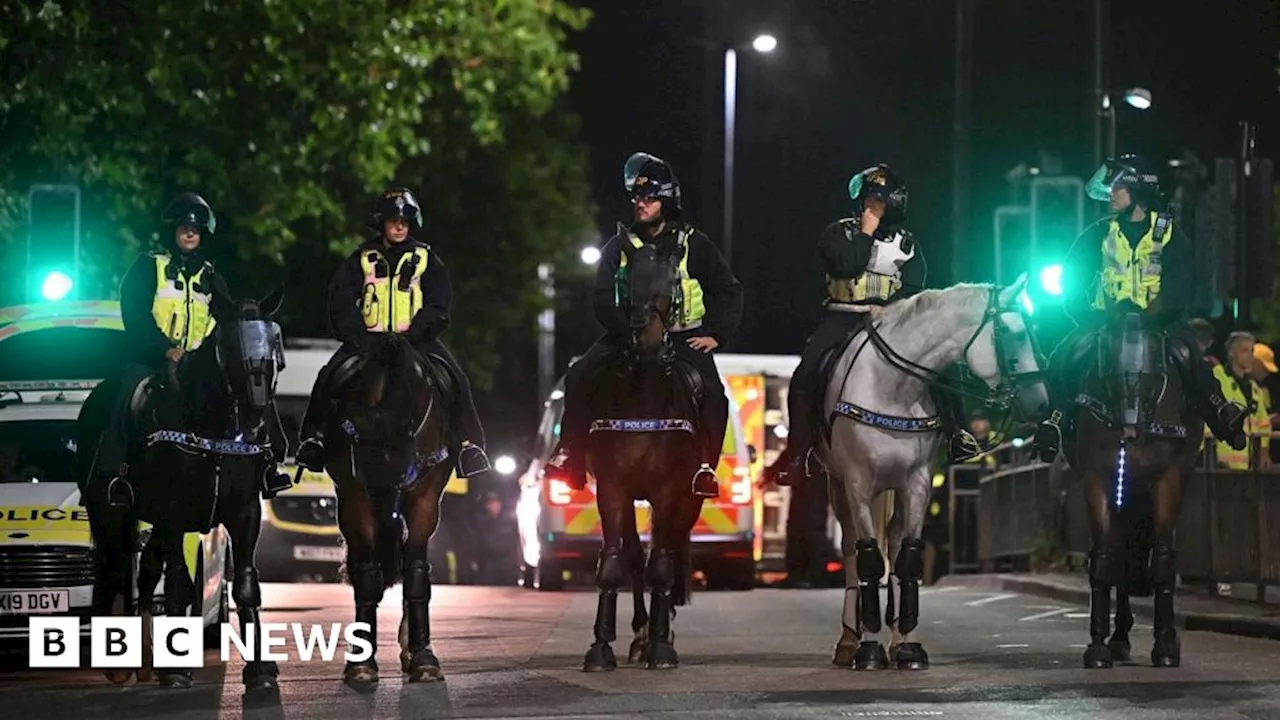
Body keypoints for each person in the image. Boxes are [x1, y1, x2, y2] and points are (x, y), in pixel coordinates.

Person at [762, 164, 981, 487]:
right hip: (843, 316)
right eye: (872, 201)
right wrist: (866, 231)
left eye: (881, 201)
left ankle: (957, 434)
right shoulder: (838, 234)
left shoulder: (908, 245)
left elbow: (912, 291)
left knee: (941, 365)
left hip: (891, 324)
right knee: (807, 372)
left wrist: (890, 314)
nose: (875, 207)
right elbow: (847, 266)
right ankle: (797, 454)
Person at [542, 152, 744, 498]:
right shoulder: (617, 247)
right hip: (625, 336)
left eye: (649, 198)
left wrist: (716, 334)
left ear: (666, 200)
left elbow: (728, 289)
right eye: (637, 198)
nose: (641, 204)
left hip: (683, 339)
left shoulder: (694, 244)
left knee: (714, 394)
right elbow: (602, 297)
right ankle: (569, 453)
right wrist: (625, 330)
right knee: (578, 376)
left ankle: (705, 468)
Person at [1032, 154, 1247, 460]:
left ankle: (1219, 410)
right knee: (1065, 355)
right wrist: (1087, 313)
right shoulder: (1098, 233)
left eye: (1117, 188)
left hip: (1159, 321)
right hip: (1105, 321)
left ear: (1136, 192)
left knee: (1190, 354)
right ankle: (1052, 423)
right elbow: (1072, 276)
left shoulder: (1169, 233)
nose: (1111, 195)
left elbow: (1183, 281)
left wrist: (1162, 311)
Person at [95, 193, 291, 497]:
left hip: (201, 364)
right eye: (185, 228)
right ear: (172, 231)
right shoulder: (148, 267)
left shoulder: (211, 276)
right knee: (127, 393)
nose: (190, 233)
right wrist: (163, 349)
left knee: (254, 385)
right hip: (154, 359)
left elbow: (226, 323)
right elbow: (134, 315)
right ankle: (114, 472)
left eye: (196, 229)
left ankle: (269, 465)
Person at [293, 187, 491, 479]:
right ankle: (315, 441)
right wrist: (354, 334)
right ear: (381, 223)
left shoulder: (427, 259)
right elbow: (341, 299)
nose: (399, 225)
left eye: (405, 221)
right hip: (368, 341)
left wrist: (419, 332)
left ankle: (468, 446)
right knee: (328, 376)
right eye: (393, 220)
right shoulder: (361, 258)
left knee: (457, 380)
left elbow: (439, 302)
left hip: (417, 342)